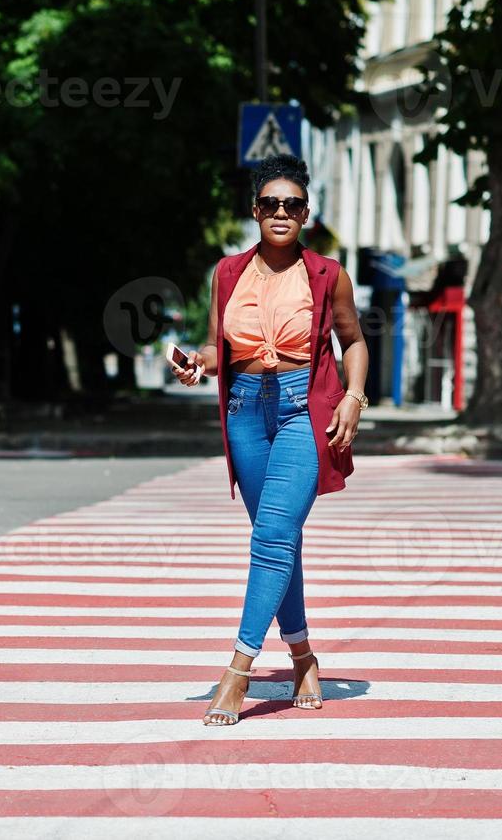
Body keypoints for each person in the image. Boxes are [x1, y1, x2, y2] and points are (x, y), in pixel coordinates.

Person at [171, 154, 369, 726]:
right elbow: (219, 349)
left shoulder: (330, 275)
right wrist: (198, 365)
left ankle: (239, 670)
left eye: (293, 205)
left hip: (301, 412)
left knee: (274, 537)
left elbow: (354, 342)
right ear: (255, 211)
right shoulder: (227, 273)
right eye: (270, 204)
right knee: (275, 539)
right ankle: (304, 656)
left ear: (306, 214)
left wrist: (353, 398)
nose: (281, 212)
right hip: (244, 413)